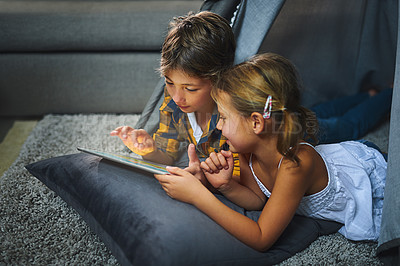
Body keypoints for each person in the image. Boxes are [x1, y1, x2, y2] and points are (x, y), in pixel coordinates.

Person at [154, 53, 387, 251]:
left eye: (223, 117)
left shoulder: (295, 165)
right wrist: (225, 186)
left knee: (349, 125)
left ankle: (388, 94)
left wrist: (198, 195)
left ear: (256, 123)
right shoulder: (246, 151)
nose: (217, 126)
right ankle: (371, 95)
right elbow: (258, 200)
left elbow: (262, 237)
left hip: (368, 171)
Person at [110, 11, 240, 177]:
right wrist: (149, 150)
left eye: (190, 89)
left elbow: (243, 179)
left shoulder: (232, 118)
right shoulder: (174, 103)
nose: (177, 97)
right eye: (169, 83)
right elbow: (166, 158)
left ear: (218, 80)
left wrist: (202, 181)